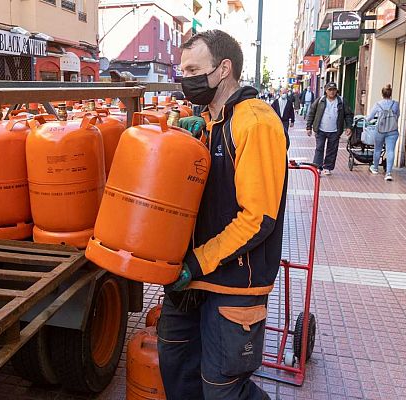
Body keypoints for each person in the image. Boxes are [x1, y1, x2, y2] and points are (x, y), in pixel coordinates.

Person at [159, 29, 288, 400]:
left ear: (223, 69)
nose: (187, 79)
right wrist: (189, 142)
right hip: (188, 280)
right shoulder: (207, 121)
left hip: (231, 283)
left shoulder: (256, 123)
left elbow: (258, 218)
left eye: (194, 69)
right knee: (178, 376)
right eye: (182, 70)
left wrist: (197, 263)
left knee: (222, 391)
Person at [306, 82, 353, 175]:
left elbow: (348, 114)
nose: (332, 92)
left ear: (336, 91)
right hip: (320, 129)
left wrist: (348, 127)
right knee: (319, 148)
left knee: (332, 149)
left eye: (334, 90)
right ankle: (317, 167)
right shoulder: (320, 100)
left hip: (335, 130)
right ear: (326, 91)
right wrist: (309, 127)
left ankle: (327, 167)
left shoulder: (341, 101)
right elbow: (312, 113)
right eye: (330, 90)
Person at [366, 84, 400, 181]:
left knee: (377, 149)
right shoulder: (395, 104)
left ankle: (375, 168)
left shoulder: (378, 104)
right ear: (390, 93)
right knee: (390, 151)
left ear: (382, 94)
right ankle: (388, 173)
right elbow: (398, 115)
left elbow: (370, 117)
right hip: (393, 130)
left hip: (380, 130)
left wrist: (366, 120)